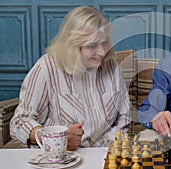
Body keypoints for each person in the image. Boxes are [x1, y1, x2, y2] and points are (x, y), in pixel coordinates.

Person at [10, 6, 131, 150]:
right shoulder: (47, 67)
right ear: (72, 47)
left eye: (105, 42)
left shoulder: (111, 64)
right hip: (60, 155)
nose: (102, 52)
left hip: (102, 153)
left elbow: (124, 117)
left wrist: (112, 142)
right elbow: (18, 123)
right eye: (92, 46)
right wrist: (54, 138)